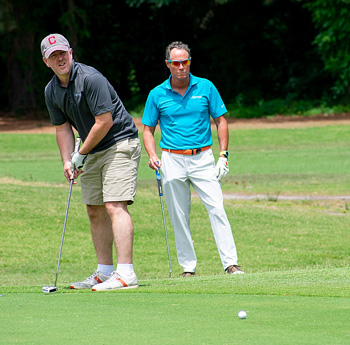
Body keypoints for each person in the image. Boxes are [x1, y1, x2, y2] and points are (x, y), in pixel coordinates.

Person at [41, 33, 141, 291]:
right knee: (94, 208)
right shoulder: (51, 90)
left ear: (71, 52)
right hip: (92, 148)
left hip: (119, 142)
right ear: (46, 62)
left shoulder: (90, 78)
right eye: (54, 56)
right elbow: (62, 127)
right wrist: (67, 160)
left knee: (114, 204)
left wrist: (80, 154)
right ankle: (104, 271)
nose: (60, 58)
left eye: (63, 52)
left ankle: (126, 273)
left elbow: (104, 122)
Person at [142, 41, 244, 277]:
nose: (181, 67)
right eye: (176, 63)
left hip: (203, 157)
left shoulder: (205, 87)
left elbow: (221, 121)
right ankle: (188, 268)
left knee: (217, 208)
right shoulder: (157, 94)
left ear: (190, 62)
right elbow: (148, 129)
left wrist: (223, 155)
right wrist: (152, 155)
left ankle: (231, 264)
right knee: (179, 216)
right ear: (168, 64)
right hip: (171, 159)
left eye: (185, 62)